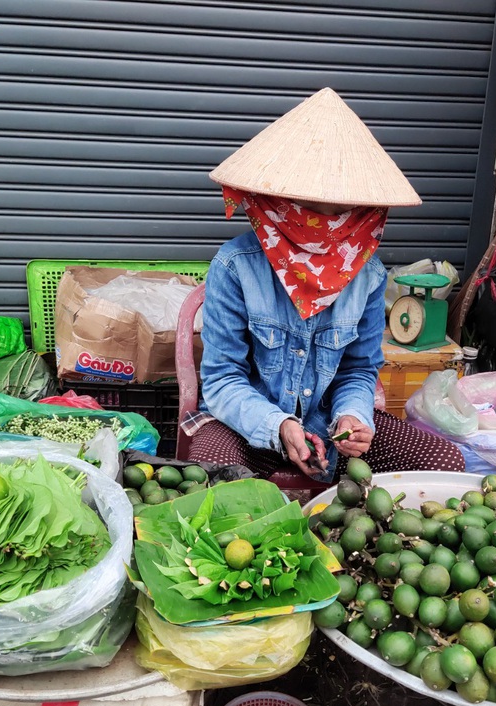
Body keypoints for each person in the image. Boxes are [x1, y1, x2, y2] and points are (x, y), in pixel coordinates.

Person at [186, 88, 467, 480]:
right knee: (211, 476)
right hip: (248, 429)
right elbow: (221, 379)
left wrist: (351, 415)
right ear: (276, 204)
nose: (324, 232)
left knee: (443, 464)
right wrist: (279, 426)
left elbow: (358, 370)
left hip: (326, 427)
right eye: (309, 215)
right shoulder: (235, 267)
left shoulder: (368, 275)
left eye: (340, 217)